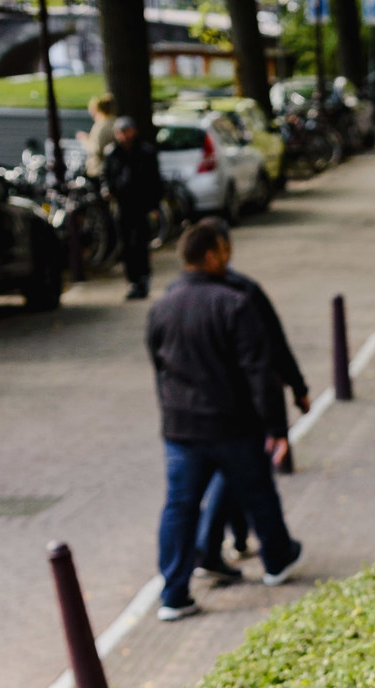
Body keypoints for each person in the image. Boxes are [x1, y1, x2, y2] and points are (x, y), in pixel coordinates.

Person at [146, 219, 303, 622]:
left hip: (181, 430)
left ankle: (174, 593)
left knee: (179, 507)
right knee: (258, 493)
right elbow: (259, 371)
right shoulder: (235, 303)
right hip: (233, 427)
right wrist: (275, 427)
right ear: (211, 256)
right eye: (225, 249)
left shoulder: (161, 307)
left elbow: (159, 366)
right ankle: (276, 560)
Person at [191, 230, 311, 581]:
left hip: (198, 411)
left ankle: (226, 545)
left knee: (225, 477)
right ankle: (237, 551)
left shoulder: (181, 295)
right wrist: (292, 394)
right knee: (246, 479)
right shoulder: (243, 293)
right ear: (217, 252)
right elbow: (271, 350)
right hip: (239, 411)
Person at [102, 116, 162, 300]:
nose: (124, 136)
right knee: (126, 244)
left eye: (127, 131)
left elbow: (154, 180)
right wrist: (108, 190)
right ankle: (133, 280)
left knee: (140, 242)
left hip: (141, 204)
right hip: (122, 204)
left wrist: (154, 206)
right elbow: (107, 176)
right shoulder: (112, 153)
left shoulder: (145, 152)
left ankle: (143, 278)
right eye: (121, 132)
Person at [79, 94, 117, 178]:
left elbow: (97, 149)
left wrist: (85, 140)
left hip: (100, 170)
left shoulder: (101, 126)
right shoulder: (114, 122)